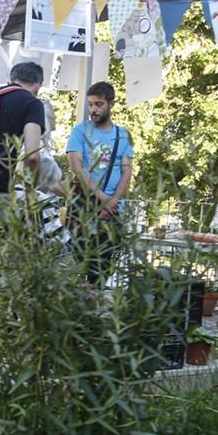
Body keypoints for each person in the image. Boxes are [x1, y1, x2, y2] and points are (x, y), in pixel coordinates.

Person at [66, 81, 134, 285]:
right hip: (84, 206)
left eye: (99, 104)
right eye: (90, 104)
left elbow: (127, 172)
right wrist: (103, 199)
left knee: (103, 267)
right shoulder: (80, 132)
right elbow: (78, 168)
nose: (93, 109)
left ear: (111, 104)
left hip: (112, 210)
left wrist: (113, 202)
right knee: (79, 262)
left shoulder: (123, 136)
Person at [0, 62, 45, 193]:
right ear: (38, 86)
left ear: (11, 80)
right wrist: (31, 191)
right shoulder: (32, 104)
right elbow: (32, 156)